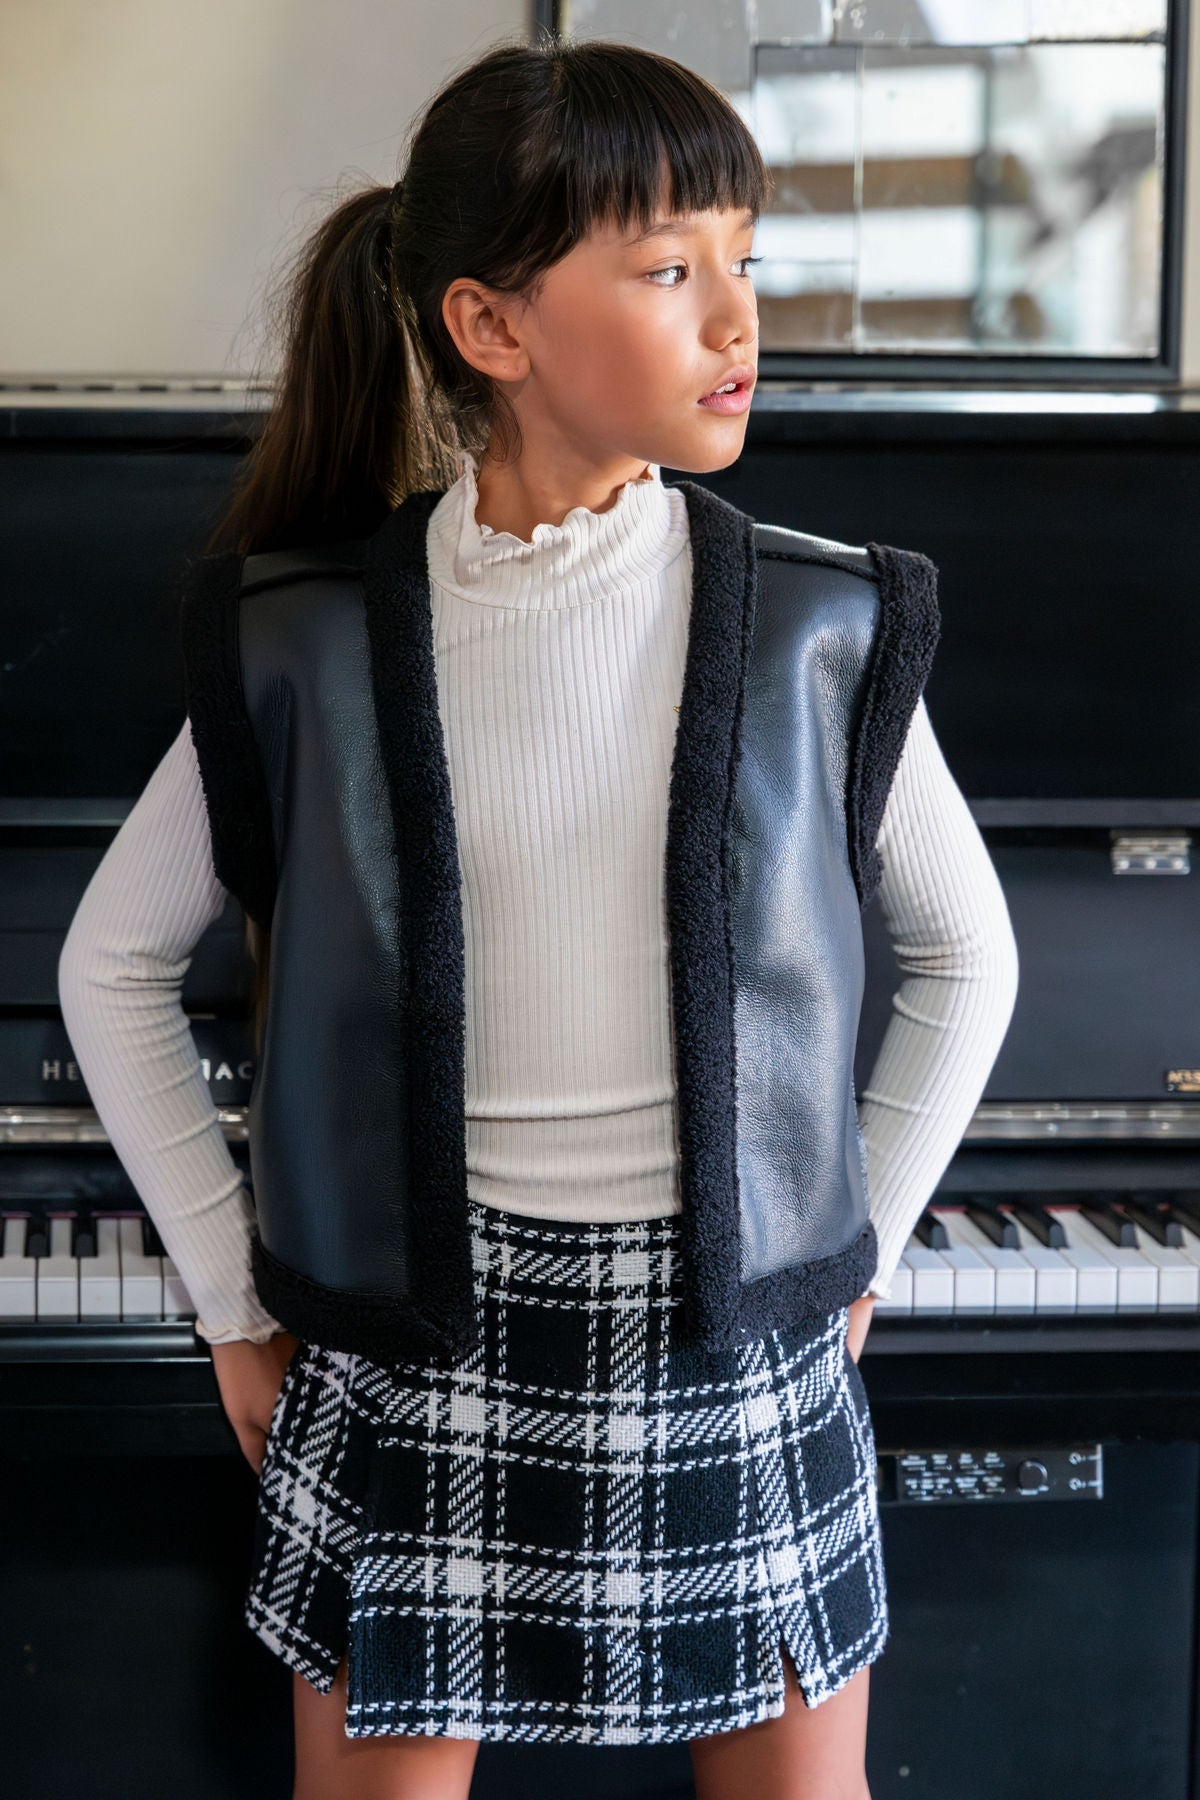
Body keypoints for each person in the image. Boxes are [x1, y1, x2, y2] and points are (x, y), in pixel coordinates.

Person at [57, 31, 1019, 1800]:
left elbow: (971, 958)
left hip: (730, 1332)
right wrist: (230, 1301)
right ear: (491, 328)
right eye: (667, 270)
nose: (735, 316)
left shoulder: (818, 623)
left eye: (745, 257)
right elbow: (109, 966)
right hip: (418, 1338)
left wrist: (854, 1246)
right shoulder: (308, 636)